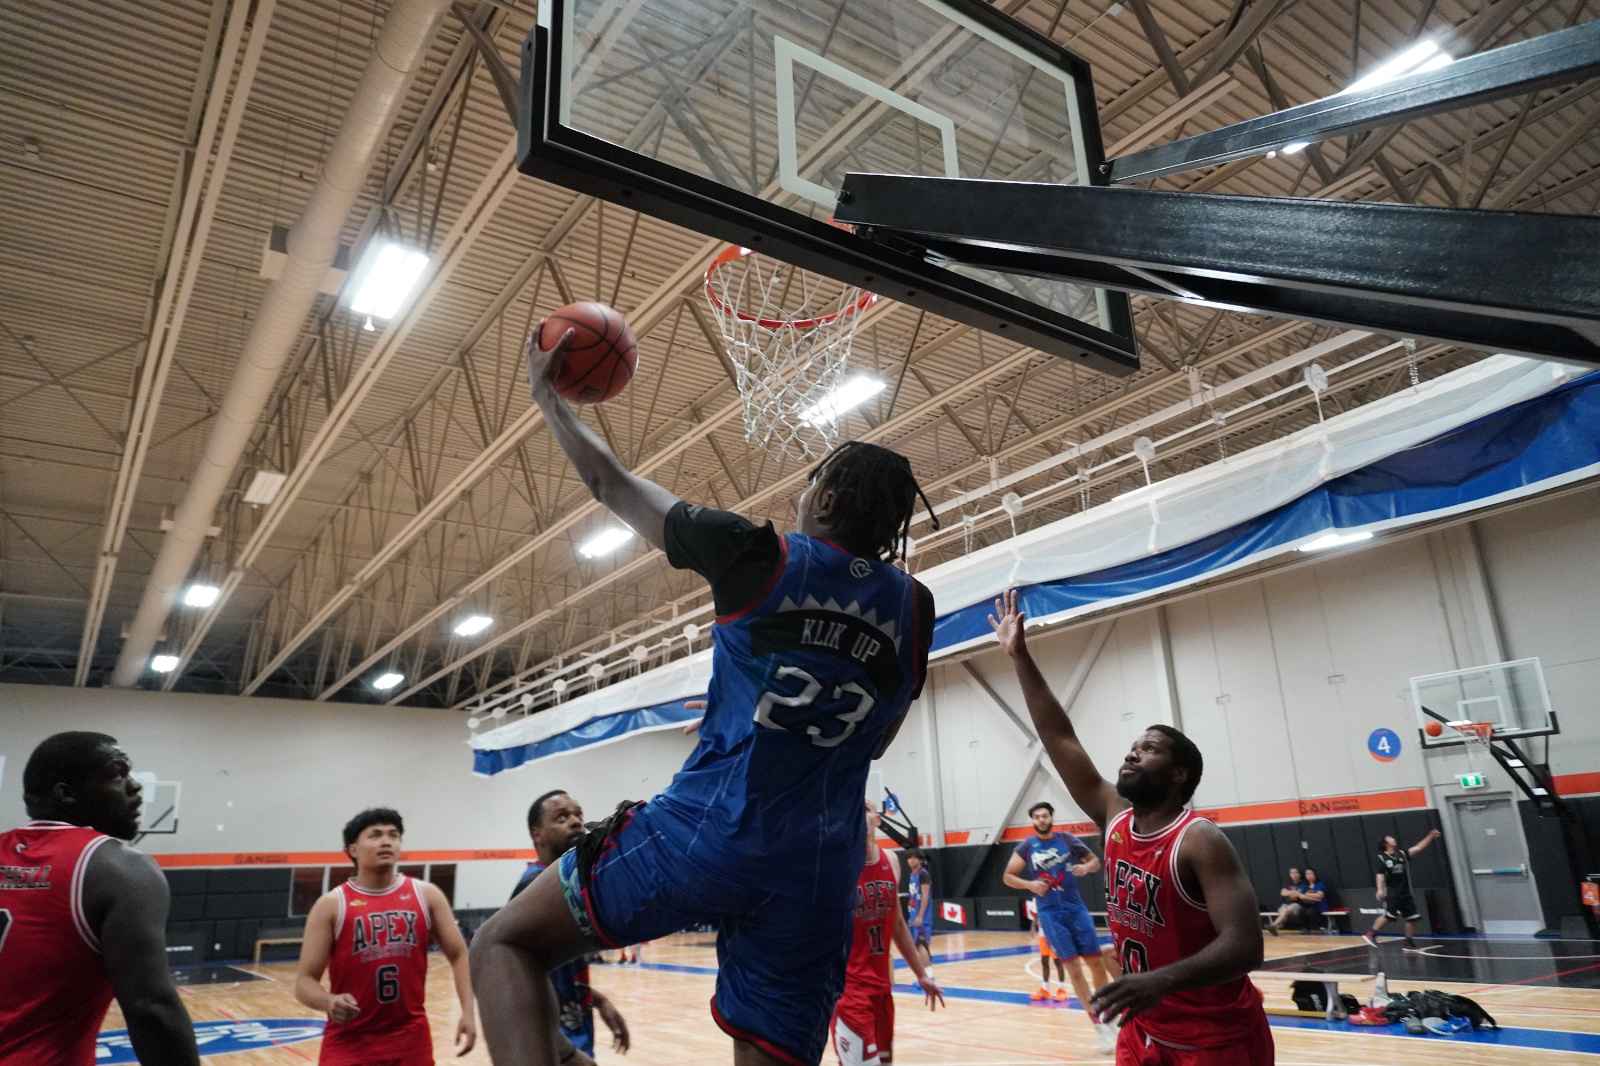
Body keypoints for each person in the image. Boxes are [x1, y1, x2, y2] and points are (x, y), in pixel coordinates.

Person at [471, 323, 938, 1066]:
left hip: (708, 834)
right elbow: (875, 737)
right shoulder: (916, 606)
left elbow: (610, 484)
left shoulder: (761, 554)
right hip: (819, 873)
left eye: (812, 481)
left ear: (828, 497)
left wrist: (546, 396)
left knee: (504, 944)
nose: (803, 491)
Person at [989, 590, 1271, 1065]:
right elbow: (1059, 736)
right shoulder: (1114, 816)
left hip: (1215, 1039)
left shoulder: (1199, 840)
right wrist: (1020, 657)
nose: (1132, 753)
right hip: (1143, 1030)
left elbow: (1246, 946)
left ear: (1179, 774)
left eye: (1150, 749)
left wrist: (1162, 980)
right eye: (1133, 747)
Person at [0, 732, 201, 1065]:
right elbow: (151, 1010)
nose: (135, 786)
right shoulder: (118, 868)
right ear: (66, 794)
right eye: (118, 774)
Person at [295, 808, 476, 1064]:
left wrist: (468, 1012)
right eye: (375, 835)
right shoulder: (332, 905)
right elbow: (304, 982)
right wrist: (328, 1001)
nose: (387, 841)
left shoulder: (426, 895)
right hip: (349, 1044)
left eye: (393, 835)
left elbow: (459, 955)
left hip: (411, 1041)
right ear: (353, 849)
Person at [511, 791, 630, 1065]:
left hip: (575, 1039)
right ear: (538, 834)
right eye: (562, 817)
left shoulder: (565, 884)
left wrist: (599, 1001)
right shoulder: (532, 888)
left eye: (578, 814)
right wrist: (565, 1053)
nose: (576, 822)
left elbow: (555, 975)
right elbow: (516, 985)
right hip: (554, 1050)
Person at [831, 800, 943, 1066]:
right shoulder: (835, 865)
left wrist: (921, 974)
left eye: (865, 809)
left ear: (877, 819)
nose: (858, 813)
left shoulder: (891, 861)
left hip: (881, 988)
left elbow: (898, 924)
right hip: (847, 990)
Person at [1005, 802, 1117, 1053]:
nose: (1041, 819)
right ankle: (1098, 1026)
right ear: (1033, 821)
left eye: (1045, 815)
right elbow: (1008, 876)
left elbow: (1095, 861)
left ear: (1051, 817)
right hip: (1051, 914)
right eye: (1037, 816)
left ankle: (1108, 1015)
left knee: (1096, 964)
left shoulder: (1067, 839)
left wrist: (1085, 867)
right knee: (1073, 969)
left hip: (1076, 909)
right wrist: (1029, 885)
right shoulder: (1027, 846)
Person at [1364, 829, 1441, 950]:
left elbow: (1418, 847)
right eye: (1390, 838)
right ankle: (1371, 934)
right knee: (1388, 915)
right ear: (1386, 843)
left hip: (1406, 892)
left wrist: (1430, 837)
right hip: (1393, 892)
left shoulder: (1402, 854)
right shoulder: (1382, 858)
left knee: (1412, 917)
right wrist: (1379, 889)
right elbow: (1380, 875)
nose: (1393, 839)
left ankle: (1408, 942)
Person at [903, 850, 934, 973]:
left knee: (921, 944)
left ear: (920, 860)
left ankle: (929, 975)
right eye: (909, 858)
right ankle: (925, 974)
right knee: (917, 944)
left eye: (914, 858)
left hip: (922, 917)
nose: (911, 860)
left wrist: (920, 916)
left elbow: (925, 896)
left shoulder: (923, 874)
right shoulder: (912, 875)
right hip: (913, 914)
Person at [1266, 868, 1305, 936]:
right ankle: (1275, 928)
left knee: (1287, 911)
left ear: (1299, 874)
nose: (1294, 875)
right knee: (1283, 912)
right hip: (1286, 904)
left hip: (1297, 904)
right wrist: (1294, 892)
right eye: (1292, 873)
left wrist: (1289, 893)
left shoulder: (1303, 884)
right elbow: (1283, 893)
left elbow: (1299, 894)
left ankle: (1273, 925)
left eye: (1296, 872)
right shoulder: (1288, 884)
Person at [1297, 868, 1328, 934]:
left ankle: (1323, 928)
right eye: (1307, 874)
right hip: (1307, 904)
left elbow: (1320, 896)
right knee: (1301, 911)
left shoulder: (1320, 884)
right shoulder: (1304, 885)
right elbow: (1301, 896)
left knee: (1311, 911)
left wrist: (1307, 894)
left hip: (1319, 905)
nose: (1309, 875)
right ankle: (1305, 928)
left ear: (1315, 875)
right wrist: (1313, 897)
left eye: (1311, 873)